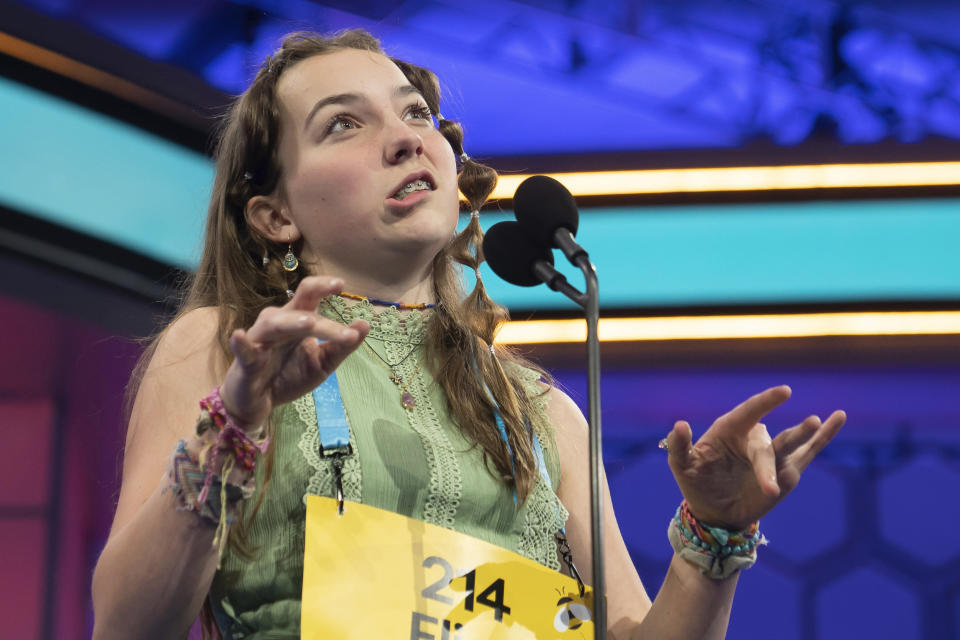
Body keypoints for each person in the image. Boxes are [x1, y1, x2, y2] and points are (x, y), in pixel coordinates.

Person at [91, 29, 846, 639]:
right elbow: (126, 625)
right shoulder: (224, 348)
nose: (404, 139)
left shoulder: (541, 410)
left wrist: (712, 536)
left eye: (416, 113)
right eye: (344, 125)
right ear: (275, 216)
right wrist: (235, 427)